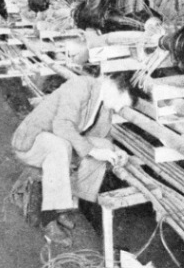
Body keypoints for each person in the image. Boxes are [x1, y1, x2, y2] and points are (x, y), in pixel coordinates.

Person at [11, 72, 135, 243]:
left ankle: (63, 206)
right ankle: (49, 219)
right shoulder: (80, 86)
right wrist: (92, 150)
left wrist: (115, 151)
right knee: (60, 147)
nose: (119, 108)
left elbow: (101, 139)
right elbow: (62, 126)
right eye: (121, 102)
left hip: (58, 141)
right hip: (32, 141)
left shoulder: (104, 104)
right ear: (112, 87)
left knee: (103, 148)